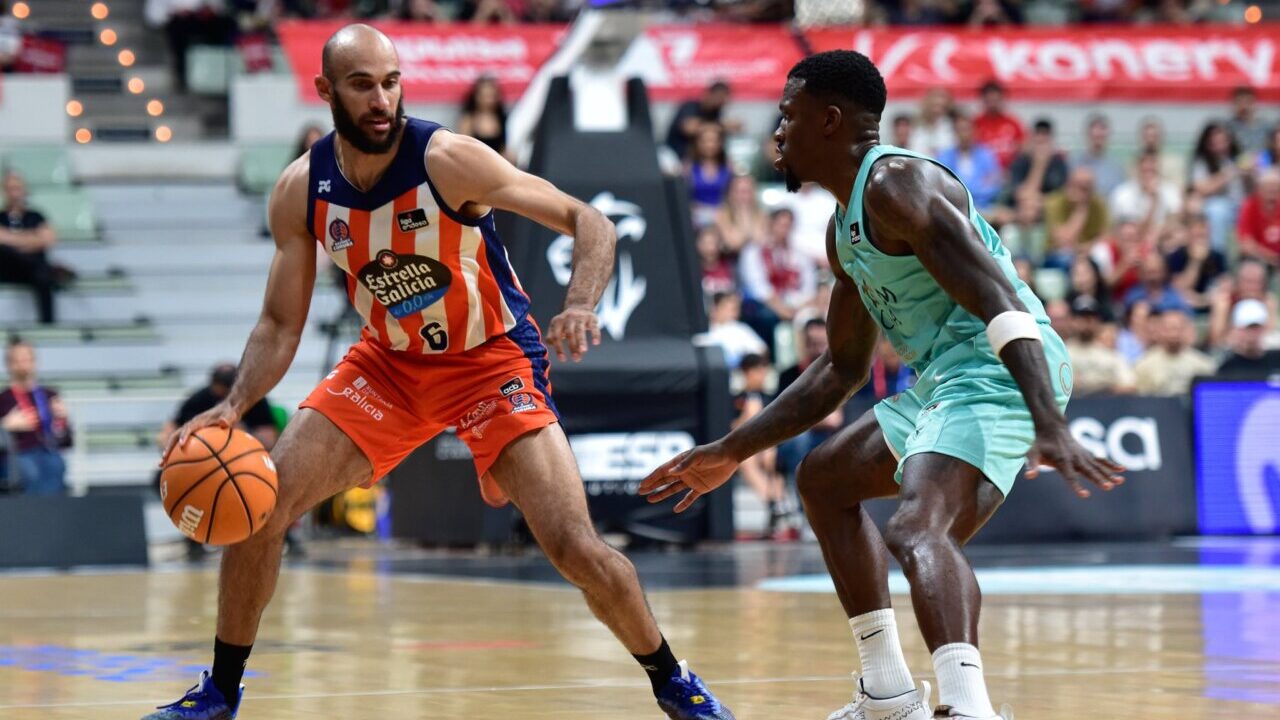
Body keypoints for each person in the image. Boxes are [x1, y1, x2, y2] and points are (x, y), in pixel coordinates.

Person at [145, 25, 732, 720]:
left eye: (391, 81)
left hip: (490, 361)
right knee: (261, 509)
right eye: (363, 84)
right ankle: (220, 691)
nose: (382, 98)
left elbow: (589, 221)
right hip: (388, 365)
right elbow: (279, 324)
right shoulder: (302, 191)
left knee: (573, 544)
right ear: (326, 91)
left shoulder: (449, 159)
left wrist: (579, 303)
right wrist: (237, 403)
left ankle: (673, 681)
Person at [640, 50, 1122, 720]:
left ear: (829, 120)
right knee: (822, 480)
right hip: (945, 382)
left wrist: (1048, 422)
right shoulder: (846, 230)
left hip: (998, 368)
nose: (774, 134)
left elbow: (1001, 301)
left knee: (918, 529)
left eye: (787, 117)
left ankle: (967, 707)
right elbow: (840, 370)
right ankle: (889, 695)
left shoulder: (899, 186)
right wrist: (732, 449)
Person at [158, 363, 289, 561]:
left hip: (246, 466)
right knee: (167, 481)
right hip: (199, 467)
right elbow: (169, 429)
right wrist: (173, 446)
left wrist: (243, 432)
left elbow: (270, 438)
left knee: (280, 482)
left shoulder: (253, 399)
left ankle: (280, 536)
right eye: (218, 389)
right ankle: (195, 540)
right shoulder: (199, 398)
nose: (221, 395)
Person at [738, 207, 816, 356]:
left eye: (788, 226)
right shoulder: (754, 251)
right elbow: (758, 287)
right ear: (771, 224)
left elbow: (808, 286)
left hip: (797, 304)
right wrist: (781, 309)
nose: (784, 230)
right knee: (767, 317)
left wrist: (799, 306)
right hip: (766, 305)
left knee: (814, 319)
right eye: (781, 225)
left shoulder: (799, 253)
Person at [0, 340, 72, 495]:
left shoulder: (49, 396)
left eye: (27, 359)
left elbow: (67, 441)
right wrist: (5, 426)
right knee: (28, 469)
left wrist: (63, 421)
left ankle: (50, 515)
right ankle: (33, 516)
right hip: (16, 454)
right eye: (17, 360)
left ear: (35, 362)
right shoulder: (3, 399)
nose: (23, 365)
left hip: (47, 450)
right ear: (9, 364)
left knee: (56, 464)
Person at [732, 353, 790, 539]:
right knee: (747, 460)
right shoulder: (735, 399)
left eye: (764, 370)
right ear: (746, 373)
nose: (762, 374)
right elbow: (729, 429)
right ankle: (776, 504)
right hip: (742, 447)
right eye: (757, 370)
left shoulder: (770, 397)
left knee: (770, 455)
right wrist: (748, 415)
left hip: (768, 446)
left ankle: (778, 506)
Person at [0, 172, 58, 324]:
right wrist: (31, 239)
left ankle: (48, 324)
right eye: (10, 188)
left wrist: (10, 239)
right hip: (5, 268)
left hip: (32, 270)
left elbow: (48, 240)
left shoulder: (36, 216)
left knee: (43, 275)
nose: (14, 193)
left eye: (17, 188)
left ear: (24, 190)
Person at [1189, 121, 1245, 252]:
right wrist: (1226, 174)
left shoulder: (1238, 158)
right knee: (1217, 210)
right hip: (1219, 206)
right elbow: (1201, 188)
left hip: (1242, 204)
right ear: (1208, 144)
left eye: (1224, 140)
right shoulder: (1201, 162)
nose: (1221, 145)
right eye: (1216, 142)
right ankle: (1218, 255)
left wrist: (1249, 174)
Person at [1133, 309, 1215, 396]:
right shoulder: (1144, 365)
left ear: (1186, 330)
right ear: (1159, 331)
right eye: (1168, 329)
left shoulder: (1203, 364)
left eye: (1177, 328)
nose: (1173, 334)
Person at [1064, 295, 1134, 396]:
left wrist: (1104, 388)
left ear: (1098, 321)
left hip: (1105, 407)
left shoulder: (1110, 354)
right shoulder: (1063, 351)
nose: (1085, 324)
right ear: (1072, 321)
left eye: (1090, 319)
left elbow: (1129, 386)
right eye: (1081, 318)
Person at [1043, 166, 1109, 270]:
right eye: (1077, 186)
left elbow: (1106, 236)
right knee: (1066, 255)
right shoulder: (1054, 202)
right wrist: (1080, 210)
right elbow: (1063, 241)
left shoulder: (1099, 204)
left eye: (1085, 188)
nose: (1080, 192)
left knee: (1103, 252)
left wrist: (1086, 248)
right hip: (1056, 255)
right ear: (1068, 184)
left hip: (1088, 250)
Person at [936, 113, 1001, 214]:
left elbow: (994, 185)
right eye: (960, 130)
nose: (964, 134)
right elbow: (945, 186)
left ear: (974, 131)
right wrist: (977, 186)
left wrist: (966, 189)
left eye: (967, 130)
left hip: (985, 206)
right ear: (955, 133)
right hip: (955, 208)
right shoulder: (944, 156)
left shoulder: (986, 155)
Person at [665, 80, 741, 162]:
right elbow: (689, 128)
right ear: (709, 94)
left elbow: (735, 126)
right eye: (720, 97)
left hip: (695, 160)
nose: (722, 102)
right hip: (673, 154)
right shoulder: (690, 106)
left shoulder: (716, 112)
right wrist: (719, 126)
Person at [1109, 151, 1182, 232]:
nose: (1148, 168)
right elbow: (1135, 232)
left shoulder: (1170, 191)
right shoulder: (1122, 194)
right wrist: (1153, 202)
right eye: (1144, 167)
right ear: (1137, 168)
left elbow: (1175, 223)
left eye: (1152, 165)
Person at [698, 291, 767, 370]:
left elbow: (762, 350)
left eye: (735, 309)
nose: (735, 314)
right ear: (715, 308)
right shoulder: (702, 328)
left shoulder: (741, 329)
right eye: (730, 309)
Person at [1006, 118, 1069, 201]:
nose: (1041, 138)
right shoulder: (1020, 162)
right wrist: (1039, 165)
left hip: (1048, 206)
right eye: (1038, 134)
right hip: (1024, 207)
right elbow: (1021, 195)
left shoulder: (1059, 163)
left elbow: (1061, 195)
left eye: (1045, 135)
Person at [1217, 299, 1280, 378]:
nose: (1252, 334)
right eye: (1248, 328)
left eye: (1256, 328)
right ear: (1237, 330)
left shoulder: (1276, 359)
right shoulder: (1227, 367)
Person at [685, 123, 733, 228]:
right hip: (695, 217)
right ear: (698, 143)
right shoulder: (688, 167)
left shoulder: (728, 167)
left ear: (720, 143)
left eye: (714, 141)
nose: (710, 145)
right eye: (706, 141)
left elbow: (730, 197)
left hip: (722, 218)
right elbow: (685, 197)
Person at [972, 80, 1024, 171]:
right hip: (983, 174)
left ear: (1002, 99)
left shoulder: (1013, 123)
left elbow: (1023, 146)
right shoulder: (975, 124)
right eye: (989, 100)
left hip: (1010, 173)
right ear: (983, 100)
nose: (993, 104)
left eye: (995, 100)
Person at [1070, 115, 1125, 199]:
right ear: (1087, 134)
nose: (1098, 134)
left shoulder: (1116, 167)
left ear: (1108, 135)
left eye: (1102, 131)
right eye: (1095, 132)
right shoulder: (1074, 163)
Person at [713, 174, 768, 256]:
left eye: (747, 191)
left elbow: (761, 240)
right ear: (730, 194)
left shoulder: (762, 214)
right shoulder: (722, 214)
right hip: (732, 261)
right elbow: (734, 243)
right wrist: (743, 214)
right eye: (739, 191)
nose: (743, 196)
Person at [1237, 168, 1280, 270]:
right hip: (1259, 261)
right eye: (1268, 188)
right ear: (1259, 189)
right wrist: (1273, 258)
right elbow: (1246, 245)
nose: (1272, 191)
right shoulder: (1249, 206)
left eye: (1276, 188)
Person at [456, 75, 508, 159]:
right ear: (476, 96)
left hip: (498, 164)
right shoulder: (469, 119)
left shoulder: (502, 118)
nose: (488, 100)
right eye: (485, 96)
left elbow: (504, 148)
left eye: (491, 96)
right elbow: (463, 148)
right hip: (474, 162)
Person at [908, 88, 955, 158]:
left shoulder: (951, 126)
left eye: (941, 106)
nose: (937, 111)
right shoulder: (916, 125)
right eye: (935, 105)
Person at [1226, 86, 1268, 155]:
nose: (1244, 107)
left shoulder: (1266, 127)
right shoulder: (1227, 128)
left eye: (1248, 102)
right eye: (1239, 102)